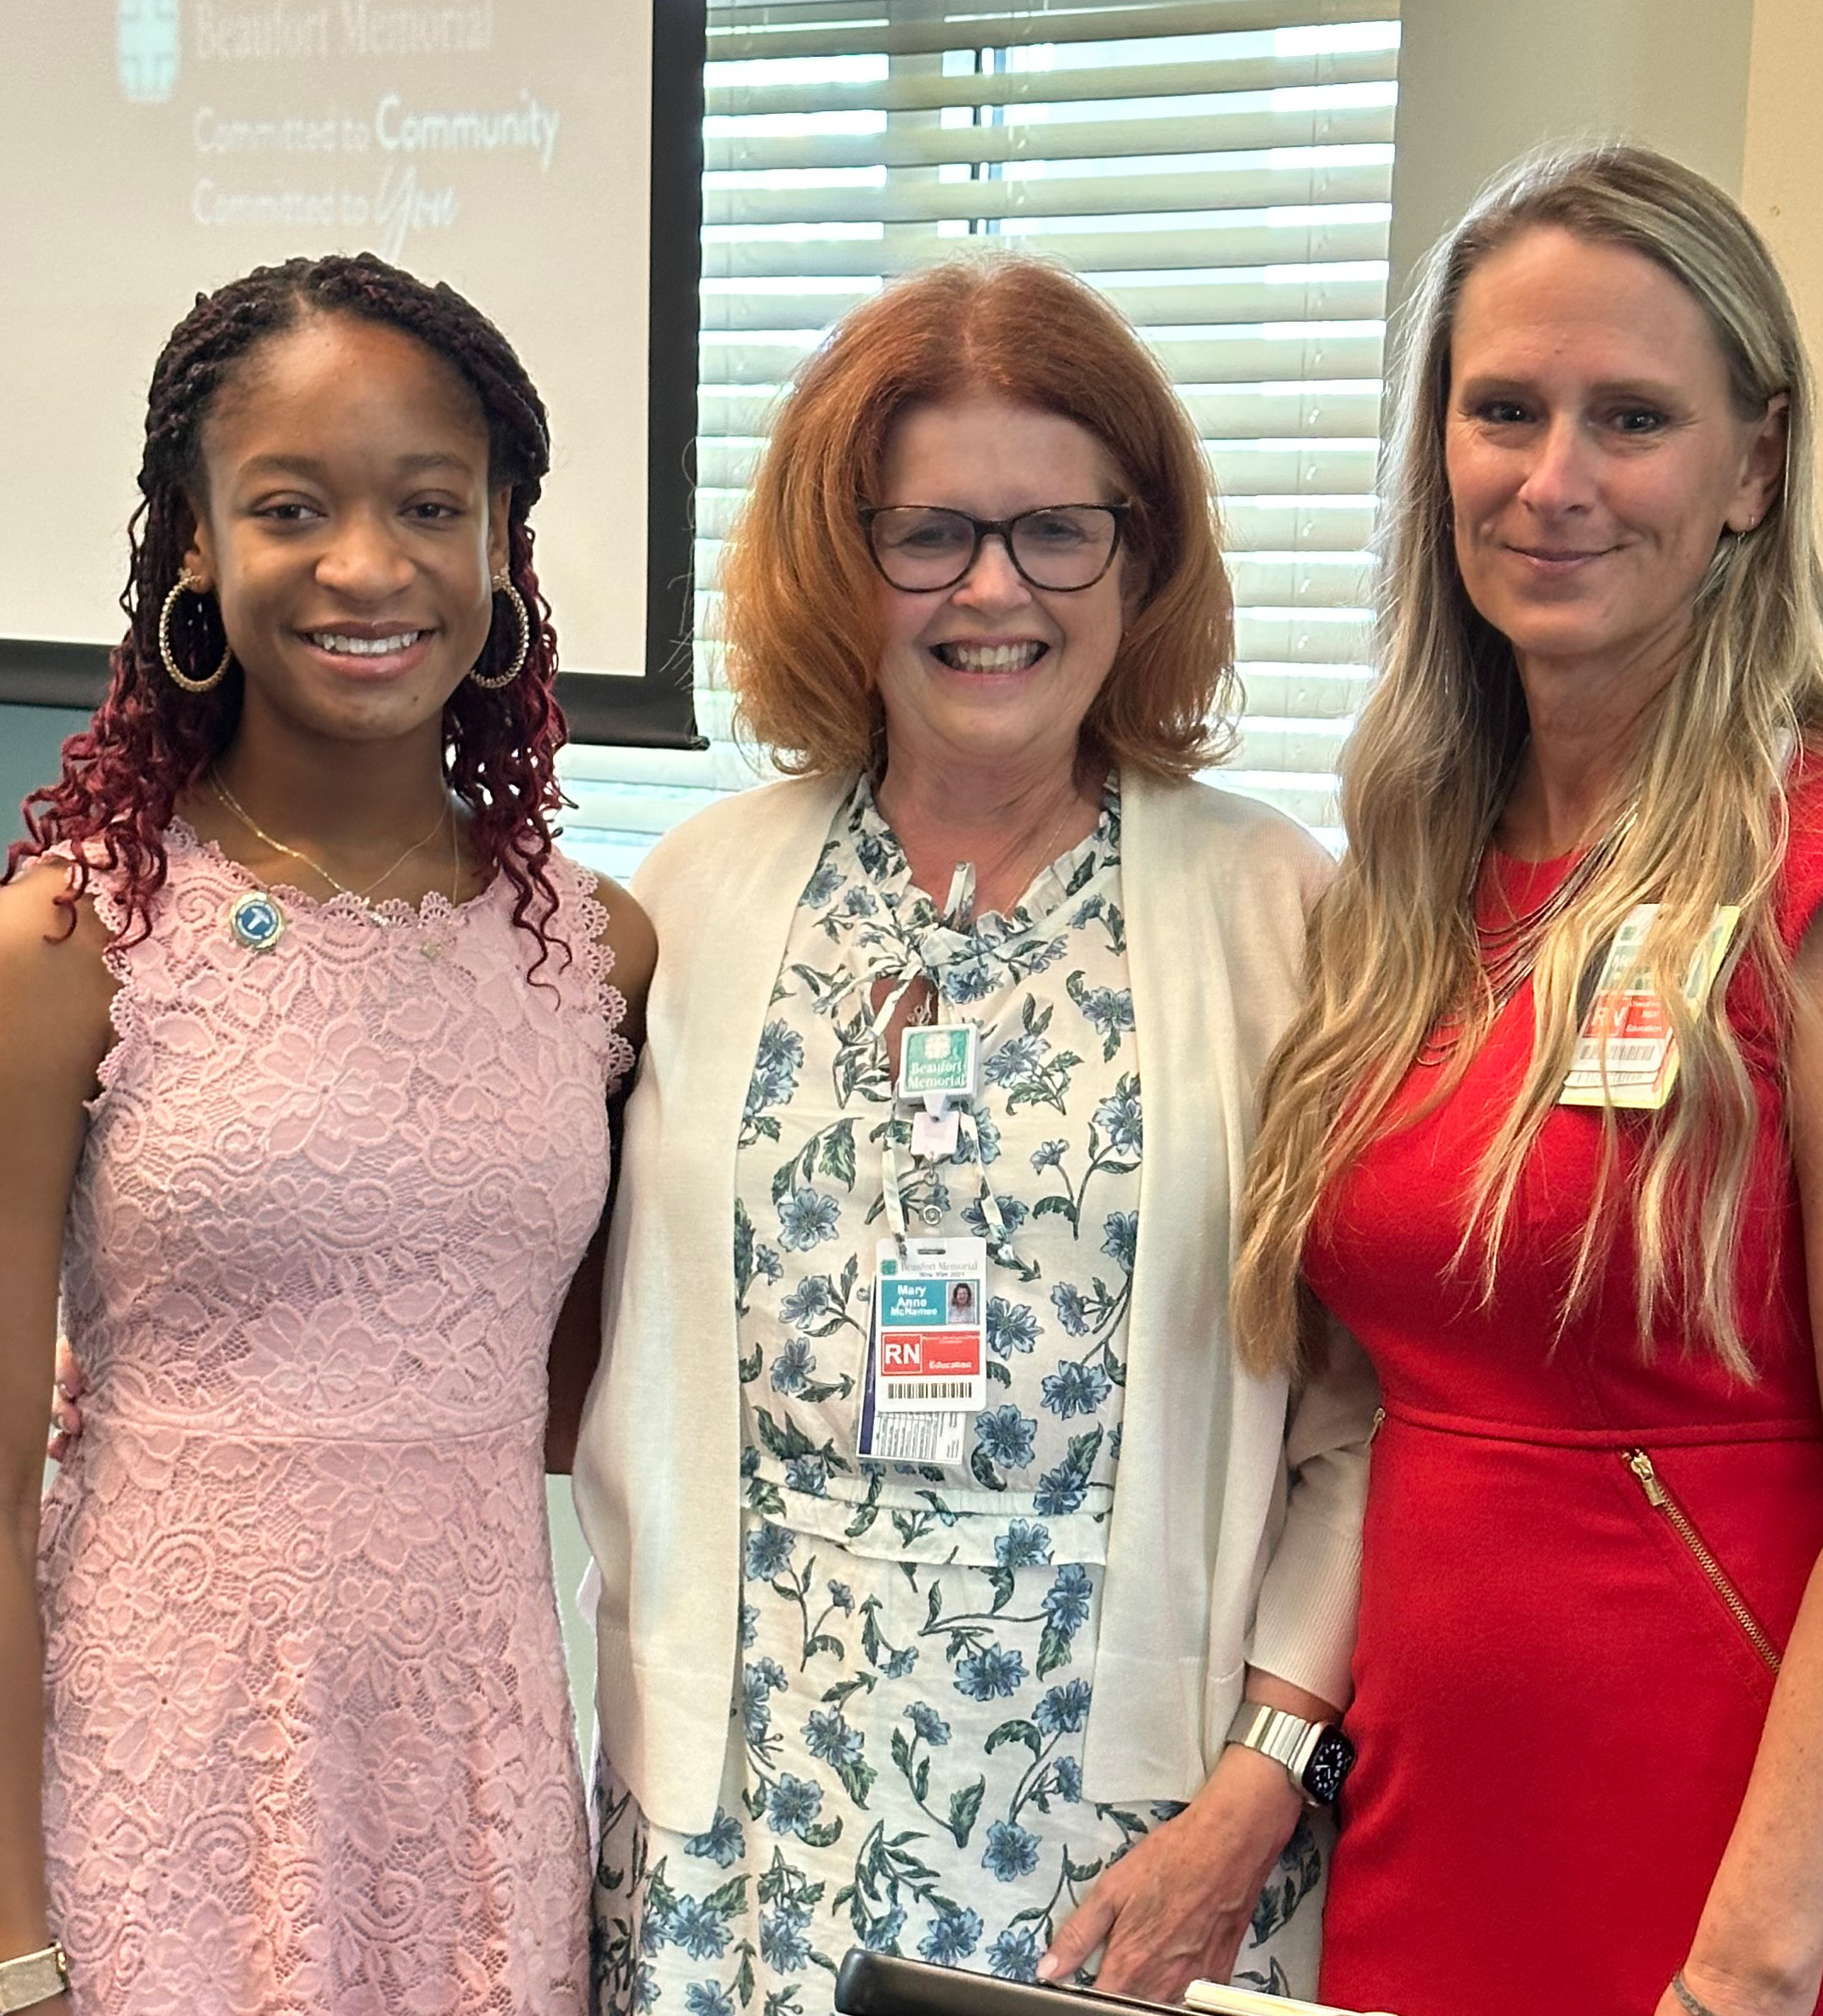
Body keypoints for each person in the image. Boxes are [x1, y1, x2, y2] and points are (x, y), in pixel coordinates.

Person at [1233, 144, 1823, 2016]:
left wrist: (1743, 1972)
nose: (1556, 479)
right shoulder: (1415, 867)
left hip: (1751, 1888)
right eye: (1502, 409)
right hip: (1441, 1842)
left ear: (1753, 463)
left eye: (1634, 417)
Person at [573, 257, 1381, 2010]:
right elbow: (531, 1265)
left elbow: (1360, 1415)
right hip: (740, 1800)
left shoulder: (1274, 914)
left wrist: (1262, 1773)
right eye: (926, 532)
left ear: (1140, 555)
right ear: (834, 562)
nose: (993, 588)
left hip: (1131, 1833)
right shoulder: (696, 901)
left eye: (1056, 530)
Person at [0, 252, 651, 2015]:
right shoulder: (61, 946)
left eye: (429, 505)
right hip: (149, 1788)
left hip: (466, 1793)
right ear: (194, 546)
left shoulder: (598, 951)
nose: (368, 565)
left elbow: (581, 1393)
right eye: (291, 505)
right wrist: (5, 1958)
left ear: (501, 551)